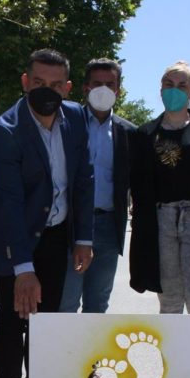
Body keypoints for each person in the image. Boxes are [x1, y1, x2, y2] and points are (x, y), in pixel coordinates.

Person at [0, 48, 94, 378]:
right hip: (14, 243)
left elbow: (84, 177)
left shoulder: (78, 118)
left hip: (57, 236)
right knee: (13, 325)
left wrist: (83, 237)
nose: (46, 90)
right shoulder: (5, 133)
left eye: (55, 85)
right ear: (25, 83)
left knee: (45, 325)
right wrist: (23, 270)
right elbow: (9, 203)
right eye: (38, 83)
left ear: (66, 87)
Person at [128, 60, 190, 314]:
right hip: (161, 219)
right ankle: (171, 354)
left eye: (182, 85)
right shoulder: (145, 134)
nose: (175, 90)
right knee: (169, 299)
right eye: (168, 84)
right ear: (160, 90)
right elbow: (138, 186)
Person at [59, 58, 135, 314]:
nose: (103, 89)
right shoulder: (66, 124)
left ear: (118, 90)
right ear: (85, 88)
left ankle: (94, 357)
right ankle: (65, 355)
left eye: (109, 84)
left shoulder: (129, 133)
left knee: (98, 306)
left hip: (107, 227)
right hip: (70, 224)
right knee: (66, 303)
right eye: (97, 83)